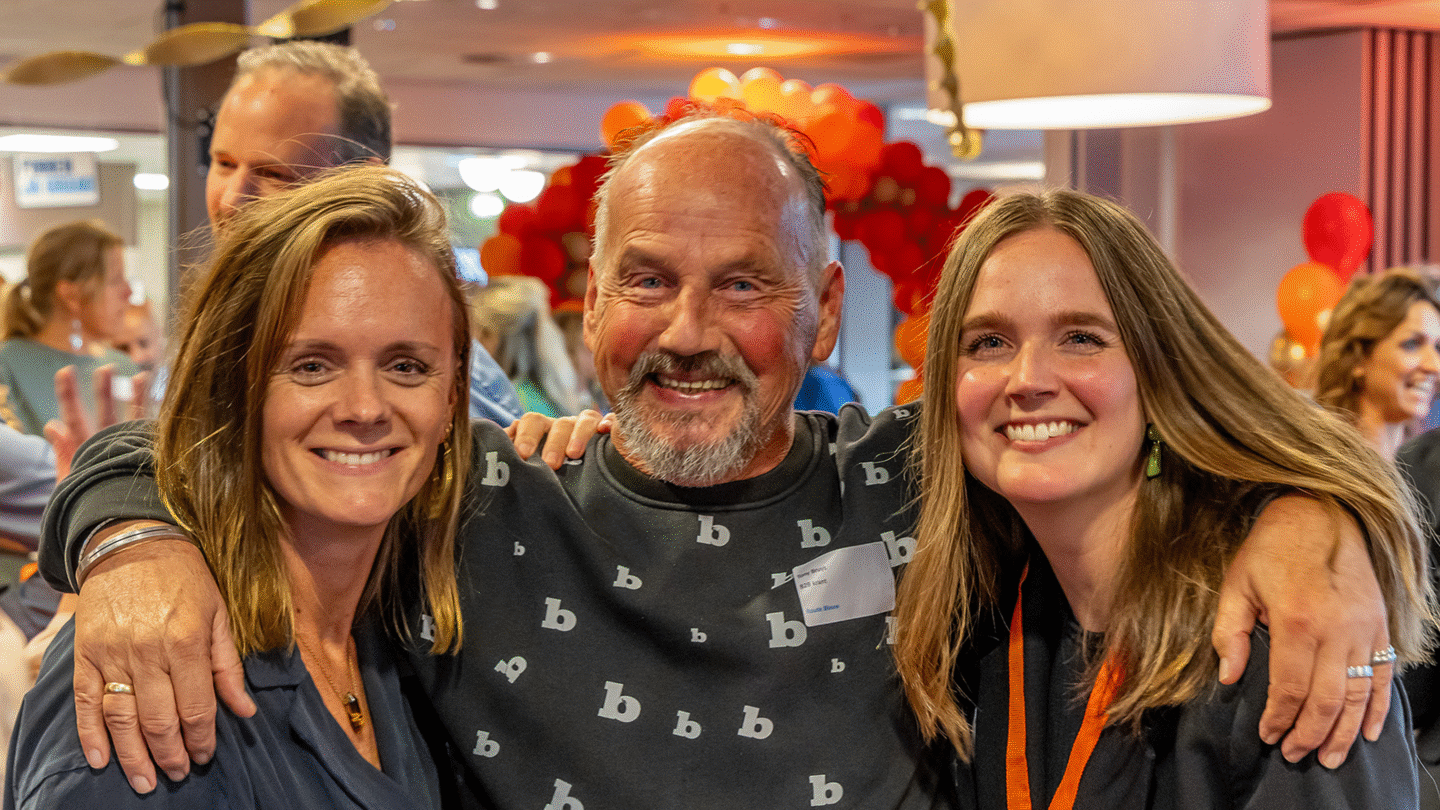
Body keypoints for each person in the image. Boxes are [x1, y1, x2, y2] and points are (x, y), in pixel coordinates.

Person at [40, 112, 1391, 807]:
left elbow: (1162, 447)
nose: (688, 334)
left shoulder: (934, 489)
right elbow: (230, 439)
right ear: (586, 305)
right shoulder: (471, 505)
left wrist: (1312, 522)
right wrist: (133, 535)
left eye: (744, 284)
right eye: (646, 280)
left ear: (824, 312)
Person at [891, 189, 1431, 807]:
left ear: (1160, 369)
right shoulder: (980, 621)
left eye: (1081, 338)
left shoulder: (1274, 637)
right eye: (989, 343)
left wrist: (1319, 521)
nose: (1028, 380)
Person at [9, 165, 473, 809]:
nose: (365, 408)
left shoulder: (405, 629)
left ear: (452, 394)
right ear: (232, 388)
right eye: (312, 365)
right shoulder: (150, 660)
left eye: (406, 366)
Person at [203, 39, 521, 425]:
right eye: (223, 164)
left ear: (363, 180)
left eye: (274, 174)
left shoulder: (435, 372)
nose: (231, 200)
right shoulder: (234, 325)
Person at [0, 220, 139, 437]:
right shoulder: (7, 364)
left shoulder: (125, 366)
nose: (128, 291)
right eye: (115, 280)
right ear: (70, 295)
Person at [1313, 267, 1440, 462]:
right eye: (1412, 344)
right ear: (1358, 357)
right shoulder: (1323, 470)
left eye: (1437, 347)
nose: (1435, 367)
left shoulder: (1421, 469)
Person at [468, 275, 581, 417]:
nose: (475, 343)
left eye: (483, 334)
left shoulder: (501, 399)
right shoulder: (548, 391)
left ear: (496, 337)